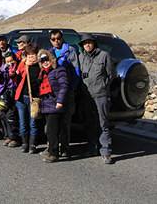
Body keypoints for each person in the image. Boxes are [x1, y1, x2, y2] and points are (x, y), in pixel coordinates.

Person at [78, 33, 115, 164]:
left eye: (89, 42)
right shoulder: (81, 57)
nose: (87, 45)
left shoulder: (104, 55)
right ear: (82, 45)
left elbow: (111, 74)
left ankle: (106, 151)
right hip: (86, 96)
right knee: (89, 123)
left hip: (101, 95)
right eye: (84, 43)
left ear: (94, 43)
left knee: (103, 123)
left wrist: (103, 86)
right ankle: (92, 147)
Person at [48, 29, 80, 156]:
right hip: (53, 93)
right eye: (53, 39)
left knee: (65, 121)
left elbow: (76, 71)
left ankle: (65, 147)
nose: (56, 41)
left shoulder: (70, 50)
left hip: (67, 91)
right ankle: (53, 146)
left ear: (62, 38)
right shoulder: (49, 52)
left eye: (58, 38)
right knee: (53, 122)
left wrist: (72, 88)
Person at [37, 50, 69, 163]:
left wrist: (60, 101)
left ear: (52, 59)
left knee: (52, 130)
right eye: (42, 60)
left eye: (47, 59)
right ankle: (51, 149)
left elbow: (64, 86)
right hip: (46, 104)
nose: (45, 62)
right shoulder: (43, 73)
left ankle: (53, 153)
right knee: (50, 130)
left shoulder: (58, 70)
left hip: (56, 104)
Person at [14, 43, 40, 153]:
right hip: (21, 97)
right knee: (22, 122)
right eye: (29, 55)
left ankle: (32, 144)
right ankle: (25, 143)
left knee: (33, 123)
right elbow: (16, 74)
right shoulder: (23, 64)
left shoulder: (41, 66)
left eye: (33, 55)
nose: (31, 58)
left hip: (34, 99)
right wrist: (23, 63)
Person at [0, 53, 21, 147]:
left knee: (11, 116)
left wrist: (14, 73)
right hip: (5, 93)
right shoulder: (4, 69)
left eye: (12, 61)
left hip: (14, 93)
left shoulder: (18, 68)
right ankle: (7, 136)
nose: (10, 63)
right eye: (7, 61)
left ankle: (15, 138)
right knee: (3, 115)